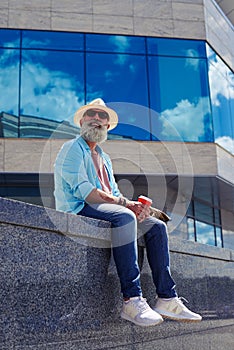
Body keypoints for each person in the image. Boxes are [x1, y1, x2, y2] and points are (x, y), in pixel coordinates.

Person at [54, 98, 202, 327]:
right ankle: (131, 299)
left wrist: (137, 206)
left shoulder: (104, 158)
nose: (97, 119)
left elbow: (112, 193)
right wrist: (126, 206)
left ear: (108, 126)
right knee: (124, 216)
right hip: (77, 208)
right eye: (92, 114)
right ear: (82, 121)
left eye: (102, 117)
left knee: (156, 225)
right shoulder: (71, 148)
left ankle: (167, 298)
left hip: (103, 209)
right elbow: (86, 193)